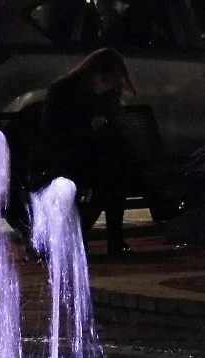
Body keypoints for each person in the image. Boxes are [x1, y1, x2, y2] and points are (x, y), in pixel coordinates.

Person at [38, 49, 138, 256]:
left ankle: (113, 240)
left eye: (111, 82)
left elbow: (114, 129)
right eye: (105, 79)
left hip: (97, 158)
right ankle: (156, 202)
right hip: (69, 156)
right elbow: (53, 135)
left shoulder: (107, 95)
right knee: (111, 177)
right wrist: (89, 128)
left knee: (115, 173)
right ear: (92, 72)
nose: (107, 86)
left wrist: (104, 125)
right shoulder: (63, 91)